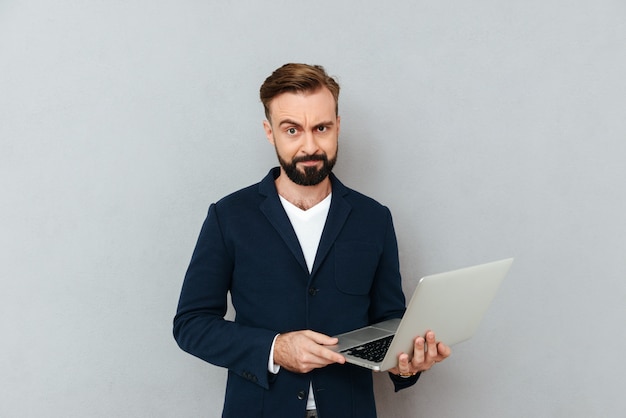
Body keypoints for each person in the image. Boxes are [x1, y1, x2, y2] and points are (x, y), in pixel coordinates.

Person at [173, 63, 450, 418]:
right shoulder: (228, 216)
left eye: (321, 128)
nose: (310, 145)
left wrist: (406, 363)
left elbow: (389, 322)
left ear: (338, 126)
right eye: (292, 130)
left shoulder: (374, 218)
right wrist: (274, 348)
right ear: (269, 132)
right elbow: (191, 324)